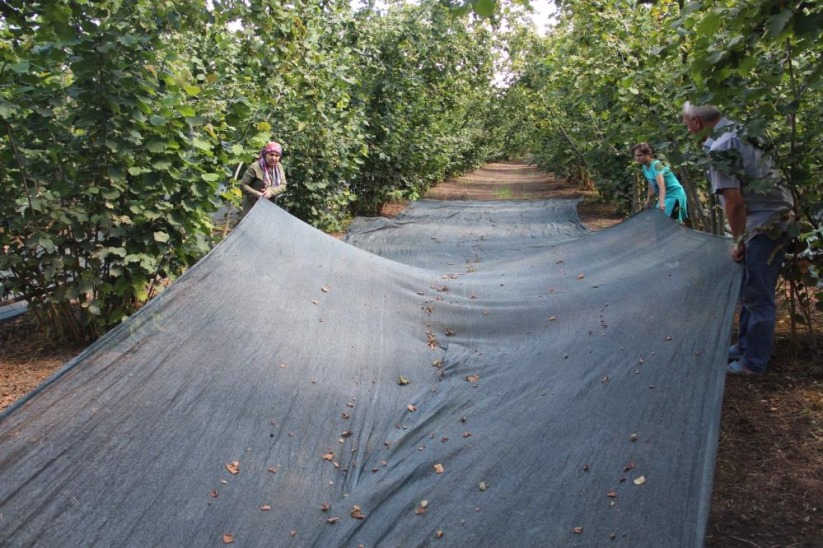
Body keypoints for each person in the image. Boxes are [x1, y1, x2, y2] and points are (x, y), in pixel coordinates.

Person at [682, 102, 795, 376]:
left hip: (766, 224)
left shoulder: (722, 148)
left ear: (696, 122)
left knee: (757, 296)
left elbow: (734, 203)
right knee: (749, 290)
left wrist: (738, 240)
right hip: (776, 216)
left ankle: (753, 362)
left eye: (686, 122)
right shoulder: (740, 130)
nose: (686, 128)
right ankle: (744, 347)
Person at [631, 142, 689, 223]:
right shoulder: (645, 166)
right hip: (665, 195)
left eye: (640, 155)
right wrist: (648, 199)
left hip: (674, 194)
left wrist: (661, 202)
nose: (637, 158)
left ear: (648, 154)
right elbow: (651, 183)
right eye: (636, 156)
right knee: (660, 220)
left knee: (665, 220)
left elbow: (662, 186)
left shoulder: (656, 166)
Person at [238, 141, 287, 218]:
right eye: (271, 154)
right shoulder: (255, 167)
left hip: (269, 205)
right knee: (252, 227)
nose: (274, 158)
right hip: (252, 205)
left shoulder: (279, 167)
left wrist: (271, 191)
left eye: (277, 155)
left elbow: (283, 185)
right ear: (265, 154)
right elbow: (243, 185)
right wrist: (257, 194)